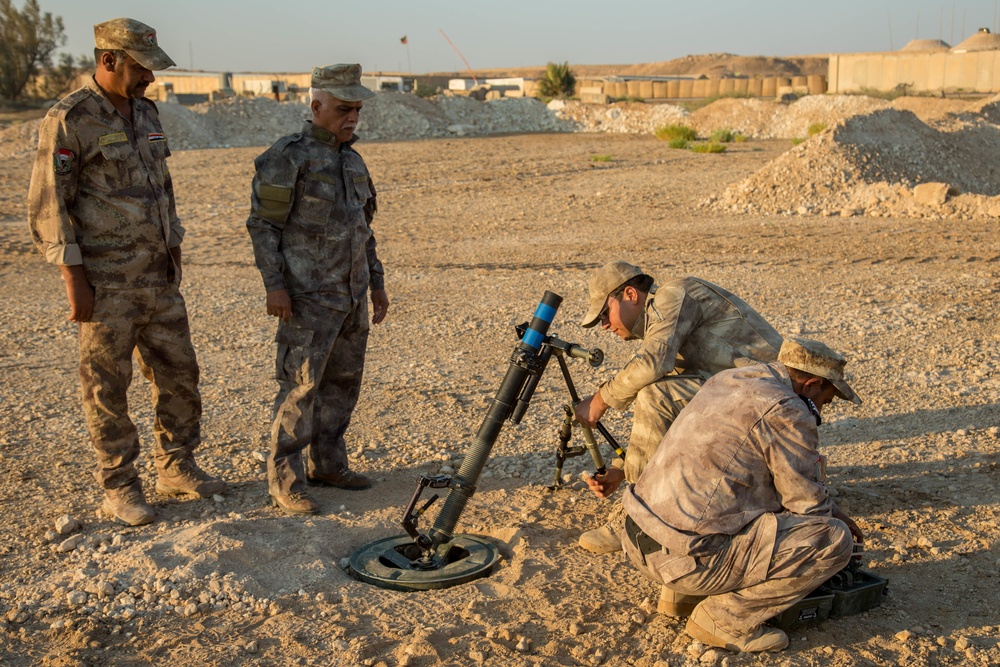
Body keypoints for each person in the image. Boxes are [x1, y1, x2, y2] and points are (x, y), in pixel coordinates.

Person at [26, 18, 225, 526]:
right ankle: (120, 486)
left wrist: (174, 247)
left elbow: (164, 187)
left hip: (157, 278)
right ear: (109, 60)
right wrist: (74, 279)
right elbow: (51, 205)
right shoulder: (69, 119)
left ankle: (177, 467)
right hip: (106, 284)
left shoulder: (146, 112)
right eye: (141, 68)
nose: (150, 79)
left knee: (180, 375)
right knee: (107, 388)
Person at [590, 338, 863, 652]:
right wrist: (834, 518)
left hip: (639, 535)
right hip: (683, 558)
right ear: (813, 385)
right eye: (826, 401)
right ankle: (724, 619)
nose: (822, 410)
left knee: (743, 498)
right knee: (832, 540)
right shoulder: (787, 409)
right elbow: (805, 504)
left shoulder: (732, 379)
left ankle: (680, 595)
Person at [246, 64, 389, 516]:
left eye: (358, 109)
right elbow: (263, 225)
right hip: (307, 299)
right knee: (300, 390)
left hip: (351, 298)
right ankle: (285, 482)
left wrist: (377, 283)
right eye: (344, 109)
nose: (352, 118)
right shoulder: (286, 157)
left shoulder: (353, 159)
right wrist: (275, 287)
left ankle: (329, 464)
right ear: (317, 106)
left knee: (343, 386)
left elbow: (362, 230)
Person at [574, 261, 783, 553]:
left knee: (655, 395)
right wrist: (622, 469)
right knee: (660, 393)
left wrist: (600, 400)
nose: (605, 326)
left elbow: (652, 364)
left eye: (604, 315)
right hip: (748, 398)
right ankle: (646, 500)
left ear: (631, 295)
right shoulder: (666, 323)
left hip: (769, 401)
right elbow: (667, 400)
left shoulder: (674, 294)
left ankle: (635, 519)